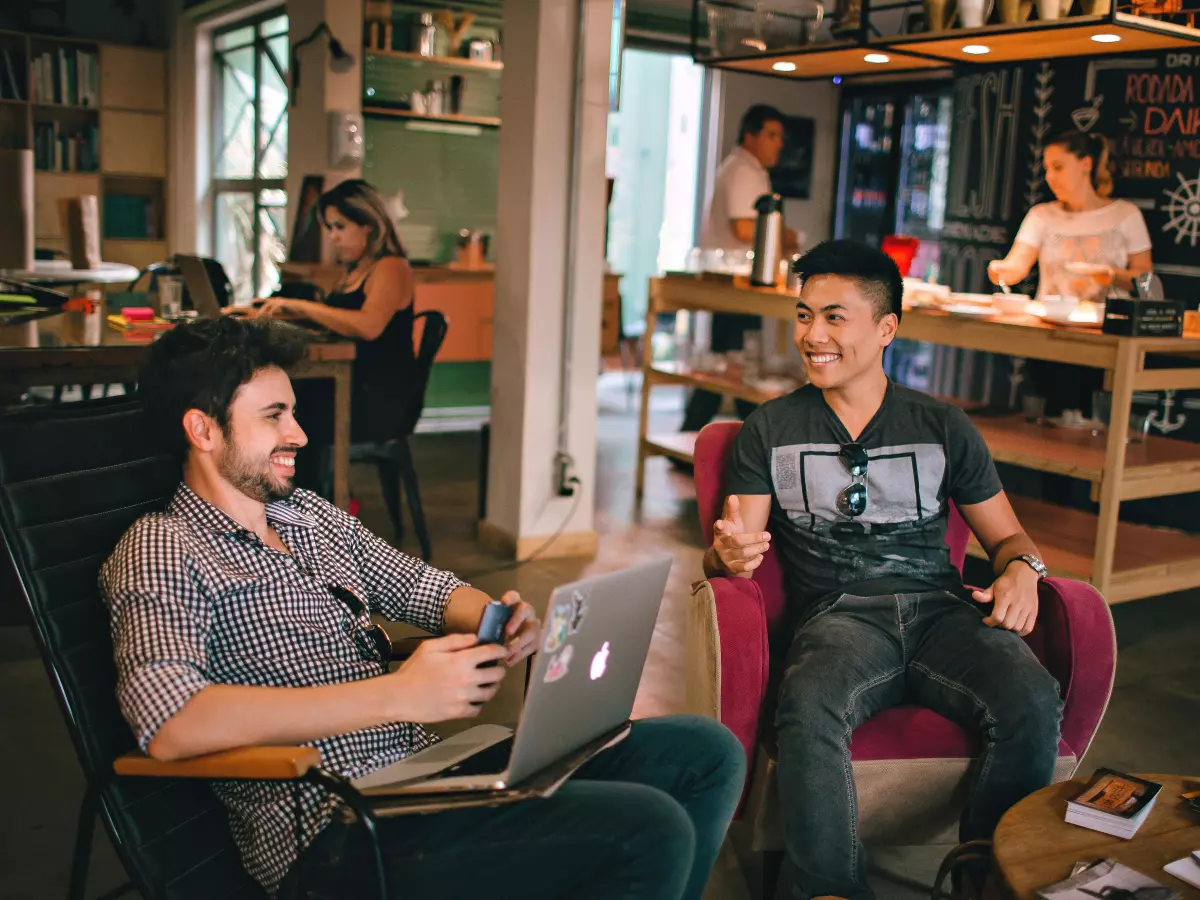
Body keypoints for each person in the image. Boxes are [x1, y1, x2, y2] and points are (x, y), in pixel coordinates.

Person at [100, 316, 746, 900]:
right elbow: (170, 722)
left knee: (703, 751)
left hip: (423, 780)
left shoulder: (306, 516)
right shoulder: (163, 546)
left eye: (293, 412)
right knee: (645, 828)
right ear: (202, 428)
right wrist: (398, 696)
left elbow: (424, 588)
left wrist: (496, 618)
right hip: (335, 832)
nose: (298, 432)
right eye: (273, 415)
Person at [705, 240, 1063, 900]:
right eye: (804, 315)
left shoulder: (943, 426)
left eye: (834, 317)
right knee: (809, 703)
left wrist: (1024, 571)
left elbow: (1009, 536)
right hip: (839, 617)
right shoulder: (770, 428)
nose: (812, 336)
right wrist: (725, 556)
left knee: (1031, 698)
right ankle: (830, 891)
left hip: (942, 613)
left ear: (886, 328)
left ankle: (986, 882)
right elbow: (736, 544)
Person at [253, 178, 418, 494]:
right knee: (279, 402)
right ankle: (290, 504)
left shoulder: (391, 267)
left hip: (377, 399)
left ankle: (305, 509)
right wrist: (275, 310)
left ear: (368, 225)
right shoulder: (357, 269)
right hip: (352, 384)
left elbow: (368, 325)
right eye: (329, 228)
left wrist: (299, 306)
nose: (332, 237)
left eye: (339, 227)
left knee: (285, 412)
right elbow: (339, 320)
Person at [682, 104, 801, 436]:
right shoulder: (744, 170)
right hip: (736, 285)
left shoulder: (744, 168)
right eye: (771, 135)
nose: (779, 143)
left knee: (734, 364)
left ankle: (745, 439)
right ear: (750, 135)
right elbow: (744, 228)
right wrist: (787, 235)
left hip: (737, 284)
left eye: (781, 137)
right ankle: (743, 440)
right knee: (736, 365)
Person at [987, 130, 1152, 302]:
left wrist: (1112, 275)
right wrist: (1001, 271)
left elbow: (1145, 279)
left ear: (1086, 164)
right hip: (1049, 321)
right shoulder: (1040, 215)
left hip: (1107, 322)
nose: (1050, 177)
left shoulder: (1126, 214)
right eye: (1047, 169)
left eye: (1058, 167)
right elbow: (1017, 266)